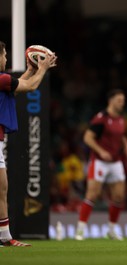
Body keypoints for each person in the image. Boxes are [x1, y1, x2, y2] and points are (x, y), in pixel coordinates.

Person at [0, 41, 57, 246]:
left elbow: (14, 88)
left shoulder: (3, 80)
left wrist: (29, 70)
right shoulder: (2, 78)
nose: (6, 59)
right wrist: (41, 70)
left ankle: (5, 237)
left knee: (2, 188)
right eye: (4, 55)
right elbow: (30, 86)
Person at [75, 89, 127, 240]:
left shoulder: (121, 119)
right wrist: (100, 151)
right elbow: (88, 138)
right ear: (111, 101)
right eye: (119, 100)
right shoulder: (101, 119)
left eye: (123, 101)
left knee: (119, 196)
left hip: (115, 161)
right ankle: (80, 231)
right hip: (99, 161)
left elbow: (120, 136)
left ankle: (111, 230)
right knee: (92, 195)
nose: (122, 103)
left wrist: (126, 144)